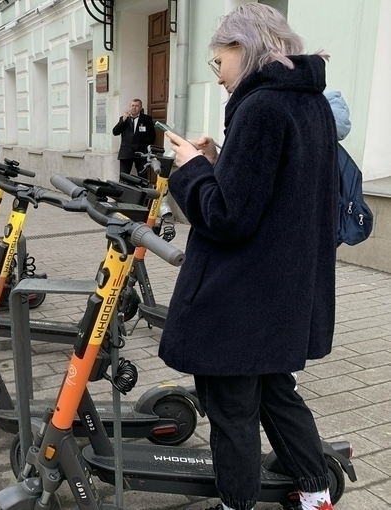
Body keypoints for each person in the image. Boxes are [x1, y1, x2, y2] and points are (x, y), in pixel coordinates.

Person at [157, 5, 338, 510]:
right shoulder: (309, 102)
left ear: (245, 48)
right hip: (283, 287)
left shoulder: (261, 107)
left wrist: (191, 170)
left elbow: (229, 216)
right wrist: (220, 161)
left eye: (218, 62)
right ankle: (316, 492)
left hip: (241, 294)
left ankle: (235, 504)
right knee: (278, 393)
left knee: (233, 408)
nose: (218, 77)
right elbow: (279, 192)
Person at [112, 98, 155, 179]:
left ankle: (143, 191)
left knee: (143, 177)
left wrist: (147, 149)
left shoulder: (146, 119)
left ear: (141, 108)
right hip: (126, 152)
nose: (134, 108)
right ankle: (123, 191)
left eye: (136, 106)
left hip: (141, 153)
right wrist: (123, 120)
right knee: (124, 177)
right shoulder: (124, 118)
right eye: (132, 105)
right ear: (129, 107)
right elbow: (115, 132)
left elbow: (152, 136)